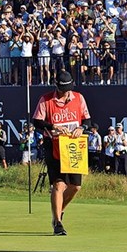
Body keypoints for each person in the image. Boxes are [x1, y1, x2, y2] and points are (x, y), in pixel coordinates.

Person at [32, 70, 91, 236]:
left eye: (68, 89)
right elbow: (36, 121)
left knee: (76, 187)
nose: (66, 93)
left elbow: (87, 119)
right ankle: (58, 223)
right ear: (56, 86)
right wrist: (52, 127)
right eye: (63, 90)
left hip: (73, 146)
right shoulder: (46, 100)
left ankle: (58, 212)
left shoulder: (78, 98)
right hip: (54, 145)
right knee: (58, 185)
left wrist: (82, 128)